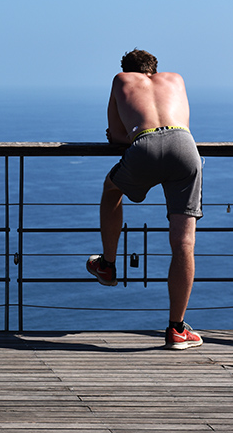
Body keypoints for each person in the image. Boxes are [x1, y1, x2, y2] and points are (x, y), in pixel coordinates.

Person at [86, 49, 204, 350]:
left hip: (146, 144)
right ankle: (177, 330)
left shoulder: (121, 79)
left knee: (112, 190)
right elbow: (183, 121)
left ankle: (108, 265)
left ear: (129, 70)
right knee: (184, 243)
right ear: (154, 69)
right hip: (185, 145)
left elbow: (116, 133)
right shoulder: (175, 79)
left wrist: (133, 136)